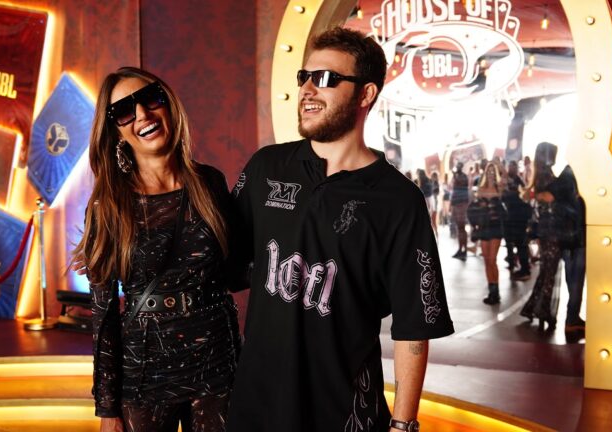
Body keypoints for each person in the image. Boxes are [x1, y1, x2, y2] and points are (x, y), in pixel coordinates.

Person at [226, 27, 454, 432]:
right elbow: (223, 264)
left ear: (366, 94)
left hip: (345, 413)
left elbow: (413, 328)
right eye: (305, 77)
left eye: (326, 78)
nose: (308, 89)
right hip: (256, 406)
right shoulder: (266, 168)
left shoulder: (398, 200)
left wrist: (403, 425)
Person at [72, 67, 240, 432]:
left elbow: (237, 271)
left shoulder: (210, 183)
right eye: (124, 111)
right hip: (145, 370)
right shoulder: (108, 205)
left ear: (168, 104)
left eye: (150, 99)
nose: (142, 115)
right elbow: (103, 316)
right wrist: (107, 408)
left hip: (217, 362)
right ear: (115, 131)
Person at [520, 142, 563, 331]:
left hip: (547, 228)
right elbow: (549, 198)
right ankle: (542, 310)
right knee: (549, 271)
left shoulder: (541, 175)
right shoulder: (547, 176)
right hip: (552, 229)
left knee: (546, 270)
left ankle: (534, 307)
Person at [469, 163, 506, 305]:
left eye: (493, 171)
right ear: (485, 173)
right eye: (488, 171)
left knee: (492, 260)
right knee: (486, 260)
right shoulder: (480, 189)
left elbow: (505, 180)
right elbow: (474, 204)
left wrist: (500, 167)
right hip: (484, 227)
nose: (490, 173)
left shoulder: (499, 188)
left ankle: (496, 293)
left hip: (496, 227)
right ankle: (492, 292)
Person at [557, 166, 586, 332]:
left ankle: (572, 317)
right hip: (577, 242)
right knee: (576, 282)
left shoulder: (561, 195)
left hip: (567, 242)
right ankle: (572, 318)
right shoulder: (579, 197)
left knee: (572, 281)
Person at [502, 160, 531, 280]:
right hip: (508, 216)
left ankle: (525, 268)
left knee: (521, 243)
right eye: (510, 167)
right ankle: (512, 262)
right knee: (509, 242)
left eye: (513, 167)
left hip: (519, 217)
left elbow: (524, 196)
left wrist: (512, 194)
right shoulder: (504, 180)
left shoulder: (519, 181)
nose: (511, 169)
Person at [450, 161, 470, 260]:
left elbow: (461, 184)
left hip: (461, 205)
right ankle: (460, 249)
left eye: (459, 166)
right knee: (459, 228)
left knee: (461, 228)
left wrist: (455, 176)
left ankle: (464, 250)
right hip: (456, 204)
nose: (457, 168)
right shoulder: (457, 176)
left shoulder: (463, 177)